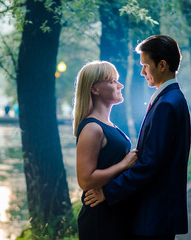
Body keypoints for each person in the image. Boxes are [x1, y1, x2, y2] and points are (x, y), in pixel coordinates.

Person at [84, 35, 191, 240]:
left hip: (153, 216)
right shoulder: (172, 99)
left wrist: (108, 192)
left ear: (162, 65)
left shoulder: (167, 104)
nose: (142, 72)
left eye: (145, 65)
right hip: (158, 213)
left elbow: (150, 164)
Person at [73, 61, 138, 240]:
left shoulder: (109, 125)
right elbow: (85, 180)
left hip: (114, 211)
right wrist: (124, 164)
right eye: (112, 81)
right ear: (95, 89)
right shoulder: (92, 128)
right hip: (100, 219)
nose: (120, 85)